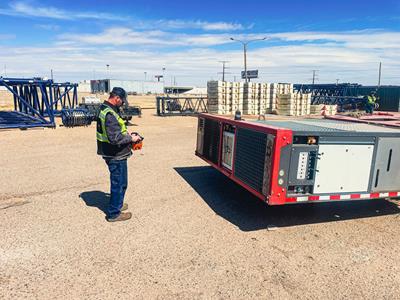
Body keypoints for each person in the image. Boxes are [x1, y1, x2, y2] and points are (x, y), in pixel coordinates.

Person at [96, 87, 141, 222]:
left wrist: (127, 134)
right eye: (122, 101)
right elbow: (114, 138)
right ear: (117, 98)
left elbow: (117, 131)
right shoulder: (109, 113)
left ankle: (118, 204)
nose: (122, 104)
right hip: (115, 155)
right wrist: (131, 139)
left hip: (116, 153)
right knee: (118, 184)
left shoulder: (107, 109)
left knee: (122, 183)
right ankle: (114, 213)